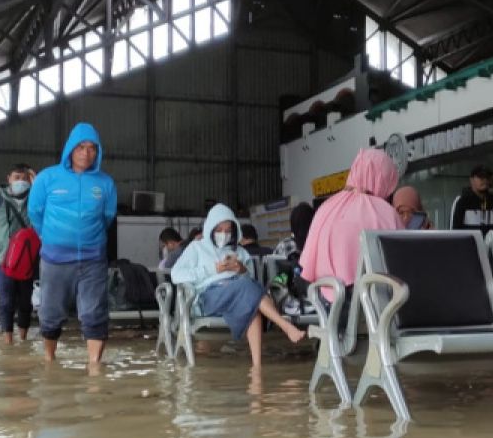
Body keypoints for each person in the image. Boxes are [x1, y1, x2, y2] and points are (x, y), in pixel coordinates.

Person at [170, 203, 307, 365]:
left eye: (228, 231)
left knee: (252, 306)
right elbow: (176, 274)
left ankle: (257, 367)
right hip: (209, 296)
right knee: (248, 290)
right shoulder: (196, 248)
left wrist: (241, 269)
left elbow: (249, 278)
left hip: (238, 293)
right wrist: (213, 269)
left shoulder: (239, 251)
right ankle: (286, 326)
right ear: (210, 229)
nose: (224, 234)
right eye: (219, 230)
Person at [29, 123, 118, 366]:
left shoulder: (106, 183)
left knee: (94, 312)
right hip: (55, 260)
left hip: (93, 259)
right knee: (50, 313)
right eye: (81, 147)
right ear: (70, 148)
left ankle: (94, 367)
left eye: (92, 148)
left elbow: (108, 217)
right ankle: (49, 359)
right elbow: (35, 213)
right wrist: (51, 238)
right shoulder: (47, 178)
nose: (86, 153)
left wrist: (91, 238)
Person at [301, 149, 405, 315]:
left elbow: (307, 265)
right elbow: (402, 263)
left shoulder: (326, 208)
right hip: (374, 310)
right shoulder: (385, 212)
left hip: (327, 305)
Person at [0, 162, 36, 344]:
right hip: (2, 260)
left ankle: (23, 338)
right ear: (8, 179)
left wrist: (37, 183)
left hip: (28, 260)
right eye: (17, 177)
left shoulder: (37, 200)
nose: (21, 181)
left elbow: (50, 210)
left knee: (25, 302)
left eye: (25, 178)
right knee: (6, 301)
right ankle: (8, 341)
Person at [450, 165, 493, 233]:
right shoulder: (463, 201)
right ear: (472, 180)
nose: (485, 180)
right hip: (471, 243)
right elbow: (456, 231)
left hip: (492, 243)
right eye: (481, 177)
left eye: (487, 177)